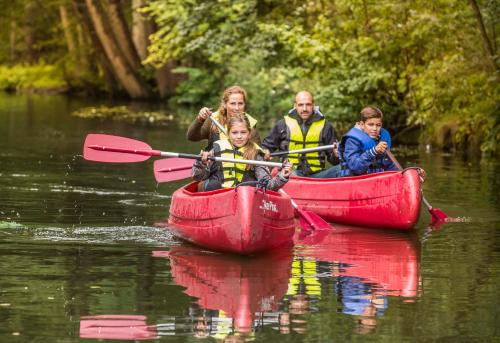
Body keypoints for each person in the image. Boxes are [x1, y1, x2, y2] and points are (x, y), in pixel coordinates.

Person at [192, 115, 293, 192]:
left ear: (249, 134)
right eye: (235, 133)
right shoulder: (216, 150)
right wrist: (200, 163)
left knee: (248, 186)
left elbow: (268, 186)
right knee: (213, 185)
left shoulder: (255, 154)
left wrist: (283, 176)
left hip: (243, 198)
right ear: (228, 134)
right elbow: (198, 177)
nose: (239, 136)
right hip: (219, 196)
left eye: (243, 132)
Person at [262, 91, 340, 178]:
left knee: (343, 168)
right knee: (283, 173)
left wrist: (336, 154)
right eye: (300, 105)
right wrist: (266, 151)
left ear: (313, 105)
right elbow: (266, 146)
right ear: (295, 105)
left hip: (318, 175)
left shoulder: (326, 126)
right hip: (291, 173)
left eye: (308, 104)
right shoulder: (283, 124)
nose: (304, 109)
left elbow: (335, 161)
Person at [186, 85, 260, 150]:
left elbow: (259, 153)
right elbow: (192, 137)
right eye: (233, 103)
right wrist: (200, 119)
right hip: (213, 163)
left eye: (240, 103)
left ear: (244, 104)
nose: (237, 108)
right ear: (225, 104)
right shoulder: (214, 119)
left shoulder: (250, 124)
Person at [338, 106, 397, 176]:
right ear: (362, 124)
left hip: (376, 179)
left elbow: (390, 165)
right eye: (371, 125)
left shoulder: (381, 138)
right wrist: (373, 151)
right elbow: (355, 167)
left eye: (378, 125)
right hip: (355, 180)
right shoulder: (352, 141)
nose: (375, 128)